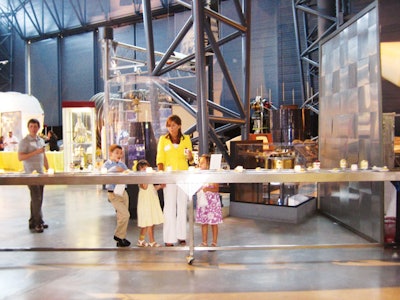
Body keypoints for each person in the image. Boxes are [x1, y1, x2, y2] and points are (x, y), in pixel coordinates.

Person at [156, 114, 194, 247]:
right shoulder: (163, 140)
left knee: (182, 206)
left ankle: (181, 235)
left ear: (179, 125)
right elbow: (160, 159)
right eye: (168, 126)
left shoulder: (186, 139)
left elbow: (191, 160)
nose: (171, 128)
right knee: (169, 207)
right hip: (169, 176)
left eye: (173, 125)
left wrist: (190, 156)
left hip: (183, 176)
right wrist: (162, 177)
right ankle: (169, 238)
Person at [18, 119, 49, 233]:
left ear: (38, 128)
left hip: (41, 173)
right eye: (31, 126)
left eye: (35, 126)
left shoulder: (41, 140)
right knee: (36, 197)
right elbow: (20, 157)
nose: (33, 128)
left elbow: (44, 155)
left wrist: (48, 168)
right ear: (28, 127)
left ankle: (33, 220)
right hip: (30, 174)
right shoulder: (24, 141)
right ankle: (38, 222)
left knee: (38, 197)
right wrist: (35, 152)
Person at [103, 144, 131, 247]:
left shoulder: (122, 164)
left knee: (122, 217)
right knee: (125, 214)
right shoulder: (107, 165)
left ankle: (121, 239)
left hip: (123, 191)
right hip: (113, 193)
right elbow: (103, 175)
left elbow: (128, 174)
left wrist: (124, 171)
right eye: (116, 153)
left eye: (120, 153)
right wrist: (115, 169)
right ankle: (118, 235)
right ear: (111, 153)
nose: (119, 155)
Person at [195, 154, 222, 248]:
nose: (200, 165)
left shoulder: (213, 174)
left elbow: (216, 188)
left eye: (202, 163)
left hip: (212, 202)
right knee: (204, 222)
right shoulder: (199, 175)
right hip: (203, 201)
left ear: (208, 164)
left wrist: (207, 189)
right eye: (199, 163)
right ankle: (204, 241)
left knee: (214, 223)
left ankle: (214, 242)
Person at [136, 159, 164, 247]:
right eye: (143, 169)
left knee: (147, 223)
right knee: (149, 222)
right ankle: (152, 241)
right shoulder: (140, 179)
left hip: (152, 200)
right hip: (145, 202)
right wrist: (148, 176)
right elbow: (144, 187)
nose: (145, 171)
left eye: (146, 168)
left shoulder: (150, 178)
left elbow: (152, 188)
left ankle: (141, 240)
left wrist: (160, 186)